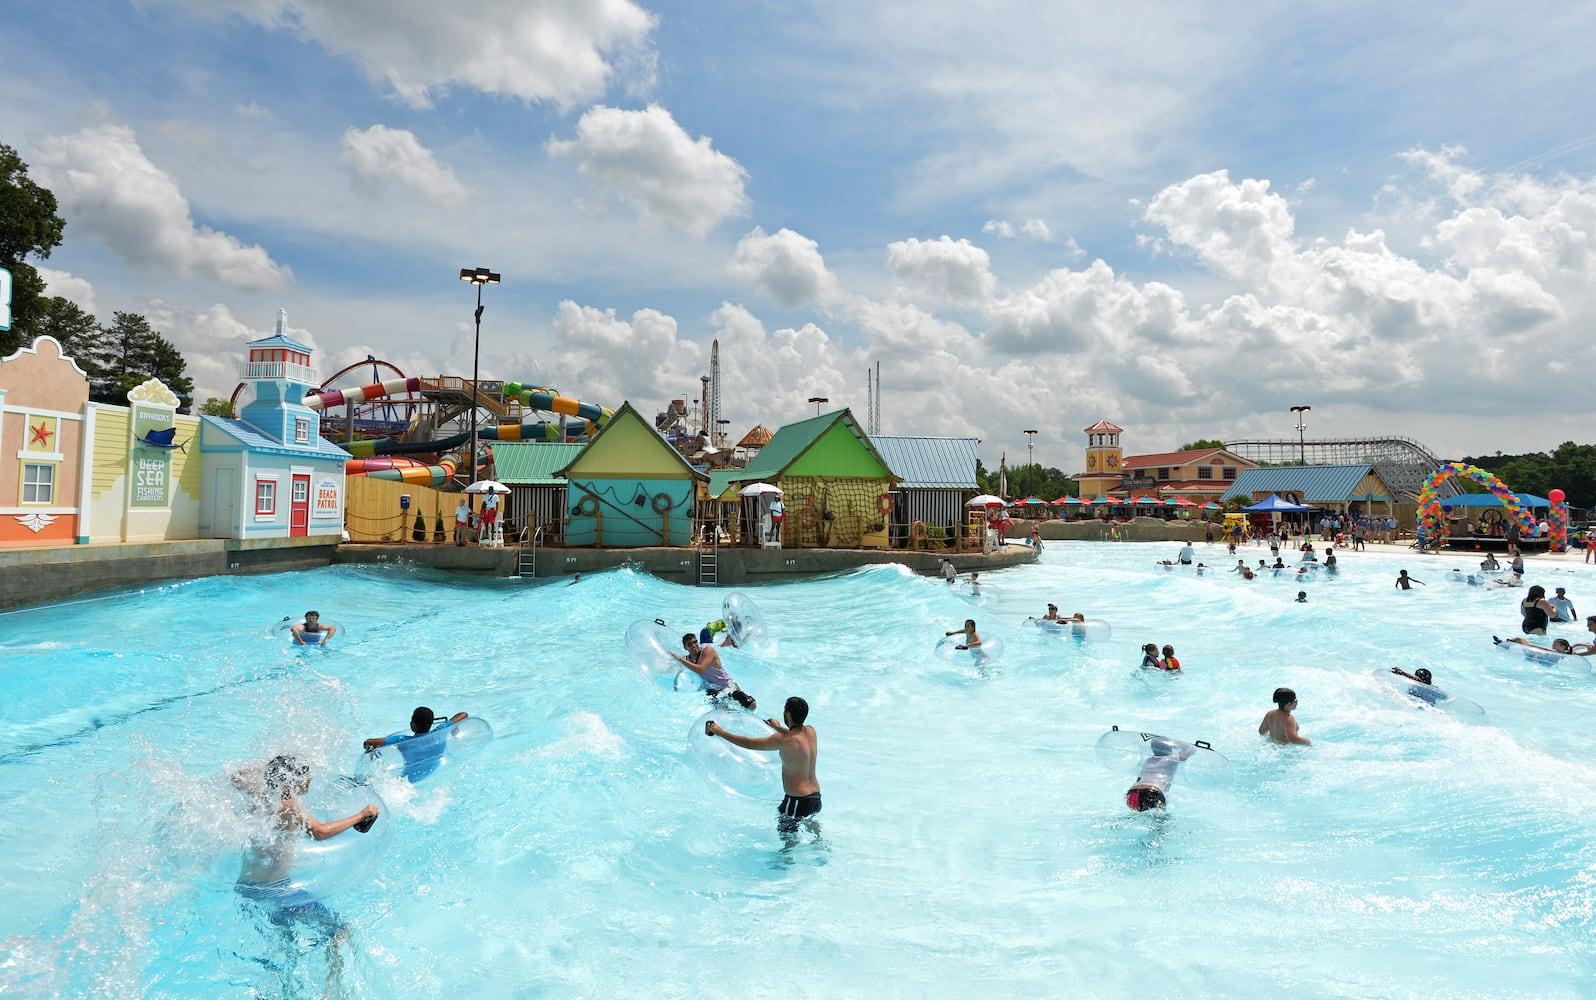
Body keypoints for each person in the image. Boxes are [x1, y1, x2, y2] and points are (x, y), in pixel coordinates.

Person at [233, 756, 379, 887]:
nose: (309, 779)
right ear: (291, 781)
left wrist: (270, 768)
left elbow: (237, 777)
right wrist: (361, 816)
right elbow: (319, 832)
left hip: (248, 883)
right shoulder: (289, 804)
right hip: (272, 887)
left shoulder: (261, 794)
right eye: (305, 776)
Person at [706, 696, 820, 834]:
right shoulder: (811, 732)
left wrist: (720, 732)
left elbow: (748, 743)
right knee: (810, 823)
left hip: (797, 800)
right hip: (815, 797)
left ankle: (789, 849)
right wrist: (778, 728)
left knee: (787, 837)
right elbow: (795, 737)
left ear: (788, 715)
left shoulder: (783, 740)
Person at [672, 633, 755, 709]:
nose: (694, 645)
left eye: (695, 642)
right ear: (685, 648)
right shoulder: (688, 660)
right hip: (712, 690)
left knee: (751, 705)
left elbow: (701, 669)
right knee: (724, 713)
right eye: (689, 644)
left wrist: (679, 659)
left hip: (727, 686)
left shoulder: (708, 650)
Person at [1123, 735, 1197, 812]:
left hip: (1134, 792)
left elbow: (1139, 779)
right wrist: (1176, 743)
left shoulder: (1148, 761)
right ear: (1169, 747)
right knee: (1161, 818)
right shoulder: (1172, 758)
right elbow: (1191, 749)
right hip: (1153, 791)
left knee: (1138, 813)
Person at [363, 706, 468, 751]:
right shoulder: (441, 732)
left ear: (413, 725)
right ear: (431, 723)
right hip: (432, 769)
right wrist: (453, 727)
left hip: (408, 779)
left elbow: (367, 743)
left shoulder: (402, 741)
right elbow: (463, 714)